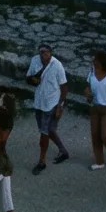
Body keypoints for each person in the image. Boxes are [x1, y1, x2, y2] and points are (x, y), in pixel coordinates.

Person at [26, 42, 70, 170]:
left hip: (52, 103)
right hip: (39, 102)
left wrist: (60, 106)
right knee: (49, 129)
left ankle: (42, 162)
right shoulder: (35, 61)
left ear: (50, 53)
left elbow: (64, 87)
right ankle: (64, 151)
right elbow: (28, 78)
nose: (43, 54)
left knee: (44, 132)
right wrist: (32, 80)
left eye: (46, 52)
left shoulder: (57, 66)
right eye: (41, 52)